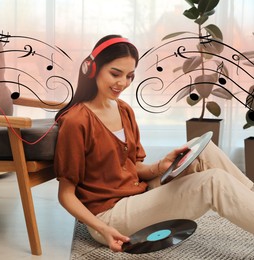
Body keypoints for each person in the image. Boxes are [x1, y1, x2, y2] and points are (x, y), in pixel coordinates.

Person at [54, 34, 254, 253]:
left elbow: (134, 168)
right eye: (115, 73)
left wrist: (161, 166)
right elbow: (66, 195)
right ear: (93, 69)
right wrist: (103, 229)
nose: (123, 83)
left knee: (202, 148)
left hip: (138, 195)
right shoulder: (76, 121)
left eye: (129, 76)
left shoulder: (123, 110)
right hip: (111, 216)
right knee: (213, 182)